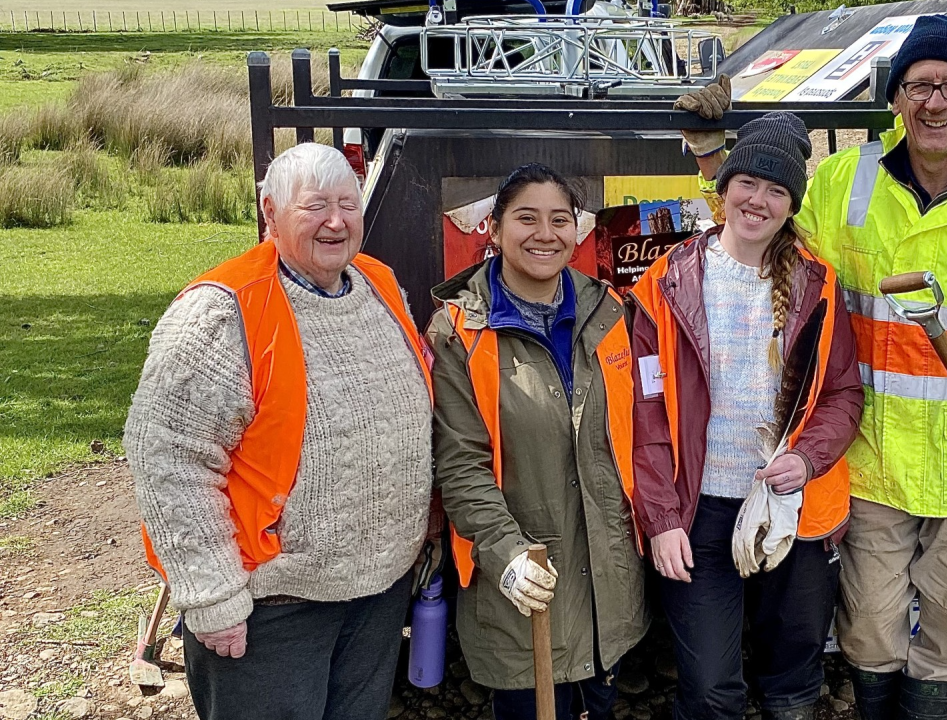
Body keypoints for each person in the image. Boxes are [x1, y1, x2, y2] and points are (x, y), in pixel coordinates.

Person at [675, 16, 947, 720]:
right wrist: (714, 158)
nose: (935, 102)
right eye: (918, 85)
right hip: (871, 457)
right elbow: (768, 223)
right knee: (868, 628)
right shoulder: (848, 181)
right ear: (896, 99)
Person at [125, 142, 435, 720]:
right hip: (271, 608)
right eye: (315, 206)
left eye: (348, 203)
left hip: (375, 594)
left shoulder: (378, 284)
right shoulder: (223, 313)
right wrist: (212, 594)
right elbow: (167, 458)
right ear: (270, 213)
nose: (336, 221)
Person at [629, 112, 864, 720]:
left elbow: (843, 395)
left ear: (791, 205)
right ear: (725, 187)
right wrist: (661, 520)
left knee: (793, 679)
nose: (758, 201)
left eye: (777, 190)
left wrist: (806, 458)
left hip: (792, 508)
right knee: (710, 690)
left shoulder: (819, 287)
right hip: (698, 511)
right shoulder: (668, 283)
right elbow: (646, 412)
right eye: (748, 183)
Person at [428, 163, 648, 720]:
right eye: (526, 218)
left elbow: (639, 436)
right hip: (526, 585)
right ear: (495, 231)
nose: (545, 234)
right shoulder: (461, 333)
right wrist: (507, 556)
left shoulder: (610, 314)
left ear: (578, 233)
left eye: (560, 219)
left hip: (606, 588)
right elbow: (461, 467)